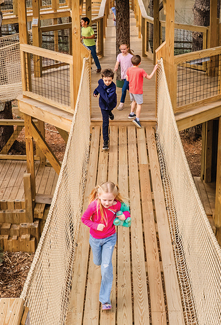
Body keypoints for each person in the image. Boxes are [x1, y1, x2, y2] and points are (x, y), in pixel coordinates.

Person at [81, 182, 131, 311]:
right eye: (104, 200)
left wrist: (123, 216)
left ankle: (105, 300)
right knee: (98, 261)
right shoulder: (94, 206)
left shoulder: (117, 205)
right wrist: (95, 226)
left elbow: (127, 213)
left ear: (115, 198)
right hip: (96, 239)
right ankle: (99, 261)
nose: (107, 203)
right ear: (98, 196)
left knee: (106, 266)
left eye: (110, 200)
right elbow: (84, 219)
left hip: (110, 238)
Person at [126, 54, 158, 128]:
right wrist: (154, 69)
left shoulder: (129, 69)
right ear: (140, 63)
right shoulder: (141, 70)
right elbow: (149, 77)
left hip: (131, 89)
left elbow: (127, 79)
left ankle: (131, 114)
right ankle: (137, 119)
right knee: (139, 104)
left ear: (131, 63)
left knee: (133, 101)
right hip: (138, 91)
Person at [93, 69, 117, 150]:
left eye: (109, 81)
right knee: (105, 123)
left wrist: (100, 90)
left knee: (109, 109)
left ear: (112, 79)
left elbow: (107, 99)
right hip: (103, 106)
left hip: (111, 103)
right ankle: (105, 141)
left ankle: (110, 112)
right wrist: (96, 92)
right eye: (105, 80)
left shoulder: (113, 87)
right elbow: (98, 88)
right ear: (102, 78)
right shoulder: (101, 82)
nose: (107, 82)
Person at [112, 44, 134, 110]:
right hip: (123, 75)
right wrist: (116, 67)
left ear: (127, 48)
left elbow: (133, 65)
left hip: (129, 75)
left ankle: (121, 103)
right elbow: (117, 63)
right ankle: (134, 99)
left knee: (123, 89)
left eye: (124, 49)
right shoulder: (119, 56)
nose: (123, 50)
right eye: (121, 49)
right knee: (128, 87)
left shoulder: (131, 56)